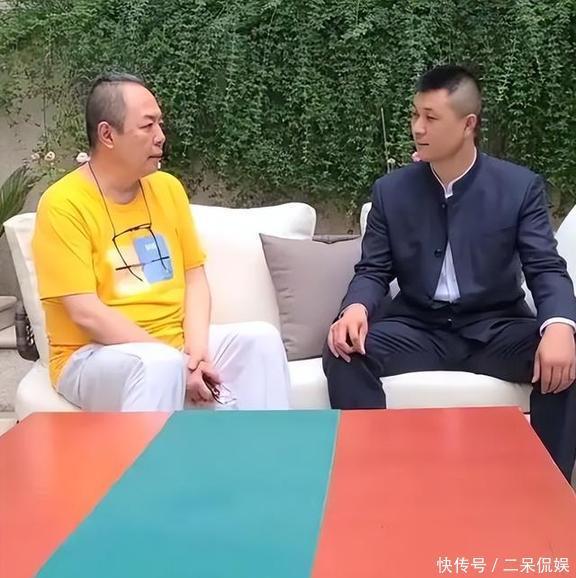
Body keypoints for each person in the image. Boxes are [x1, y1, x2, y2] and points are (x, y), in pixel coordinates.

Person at [323, 64, 576, 481]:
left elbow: (545, 267)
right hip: (418, 327)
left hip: (495, 328)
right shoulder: (392, 191)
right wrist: (355, 309)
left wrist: (560, 326)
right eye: (414, 114)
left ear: (467, 124)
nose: (417, 128)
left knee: (567, 359)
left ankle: (547, 491)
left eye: (431, 117)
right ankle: (372, 481)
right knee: (343, 350)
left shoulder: (518, 188)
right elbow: (373, 269)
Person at [32, 73, 291, 412]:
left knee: (260, 340)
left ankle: (266, 447)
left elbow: (194, 277)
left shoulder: (167, 188)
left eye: (160, 124)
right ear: (108, 135)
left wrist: (196, 354)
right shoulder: (63, 203)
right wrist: (176, 360)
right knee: (157, 365)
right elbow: (86, 312)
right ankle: (152, 451)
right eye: (147, 126)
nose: (161, 137)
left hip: (172, 343)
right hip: (90, 355)